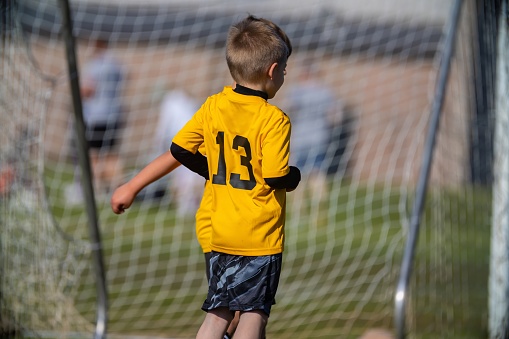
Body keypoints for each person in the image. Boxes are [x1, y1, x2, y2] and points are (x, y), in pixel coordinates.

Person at [170, 15, 300, 339]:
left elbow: (179, 149)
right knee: (254, 314)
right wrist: (293, 177)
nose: (284, 74)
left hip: (221, 234)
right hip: (259, 237)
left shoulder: (214, 105)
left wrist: (212, 171)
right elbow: (273, 175)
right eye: (284, 69)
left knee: (217, 315)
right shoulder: (274, 120)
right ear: (272, 71)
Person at [283, 59, 339, 204]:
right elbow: (335, 116)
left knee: (296, 172)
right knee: (317, 172)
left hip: (300, 138)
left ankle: (298, 208)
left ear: (304, 73)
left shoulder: (297, 91)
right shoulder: (324, 91)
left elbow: (288, 110)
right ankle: (319, 208)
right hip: (319, 137)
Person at [81, 38, 125, 196]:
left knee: (93, 155)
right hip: (114, 115)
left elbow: (87, 90)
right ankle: (118, 188)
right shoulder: (115, 64)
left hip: (95, 117)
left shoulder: (93, 65)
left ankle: (95, 190)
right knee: (111, 154)